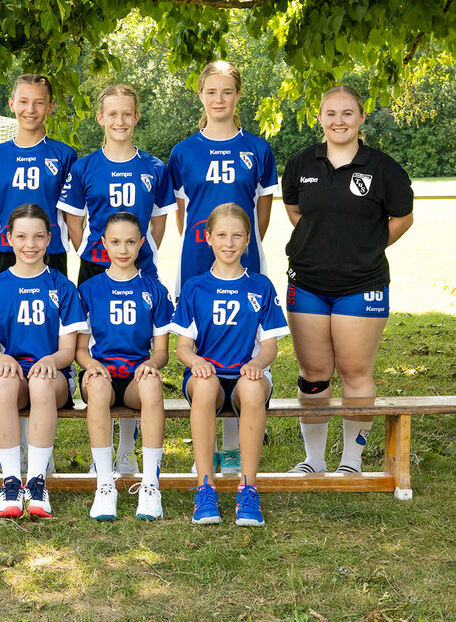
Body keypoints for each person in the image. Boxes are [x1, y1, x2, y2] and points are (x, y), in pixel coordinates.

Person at [281, 86, 414, 475]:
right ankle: (313, 461)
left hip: (362, 285)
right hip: (307, 283)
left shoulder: (384, 168)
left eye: (347, 113)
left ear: (361, 118)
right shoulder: (300, 164)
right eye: (331, 113)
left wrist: (364, 248)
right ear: (320, 118)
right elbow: (295, 211)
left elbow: (402, 219)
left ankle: (351, 464)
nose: (338, 121)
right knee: (314, 374)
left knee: (355, 372)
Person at [168, 61, 278, 475]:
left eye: (227, 92)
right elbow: (183, 214)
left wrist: (237, 245)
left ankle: (233, 449)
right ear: (200, 95)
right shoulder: (183, 152)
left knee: (243, 342)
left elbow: (260, 216)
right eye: (211, 92)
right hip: (198, 257)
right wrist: (209, 244)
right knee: (205, 343)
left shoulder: (258, 149)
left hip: (242, 256)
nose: (219, 99)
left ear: (237, 95)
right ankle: (207, 451)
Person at [58, 84, 173, 473]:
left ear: (136, 117)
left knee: (135, 349)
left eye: (127, 113)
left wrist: (140, 253)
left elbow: (159, 220)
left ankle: (127, 450)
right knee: (99, 351)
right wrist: (88, 251)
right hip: (96, 266)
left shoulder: (154, 167)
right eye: (112, 114)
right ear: (100, 118)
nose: (120, 120)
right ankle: (102, 457)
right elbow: (73, 219)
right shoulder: (85, 167)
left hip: (138, 266)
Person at [173, 203, 289, 526]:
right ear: (208, 238)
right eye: (221, 235)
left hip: (244, 375)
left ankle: (248, 489)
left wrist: (257, 363)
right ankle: (205, 488)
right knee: (205, 385)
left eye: (237, 235)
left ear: (248, 239)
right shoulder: (194, 287)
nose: (229, 243)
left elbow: (270, 346)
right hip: (206, 375)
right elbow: (183, 347)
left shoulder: (261, 286)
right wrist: (196, 361)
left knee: (251, 388)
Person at [0, 204, 87, 518]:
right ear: (8, 238)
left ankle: (38, 482)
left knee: (41, 381)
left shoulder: (62, 286)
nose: (30, 244)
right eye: (22, 236)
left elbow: (67, 352)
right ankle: (11, 482)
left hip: (52, 379)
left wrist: (50, 360)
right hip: (14, 378)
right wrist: (4, 360)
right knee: (2, 380)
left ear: (49, 238)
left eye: (39, 236)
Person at [75, 212, 173, 521]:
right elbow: (80, 349)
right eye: (115, 242)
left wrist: (150, 364)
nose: (123, 249)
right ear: (103, 243)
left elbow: (161, 352)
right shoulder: (89, 289)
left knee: (152, 383)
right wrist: (91, 364)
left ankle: (150, 484)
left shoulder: (154, 290)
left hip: (134, 378)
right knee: (97, 386)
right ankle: (105, 484)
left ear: (142, 243)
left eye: (130, 242)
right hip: (101, 373)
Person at [0, 74, 77, 277]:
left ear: (50, 107)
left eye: (39, 102)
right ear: (12, 104)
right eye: (23, 101)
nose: (30, 109)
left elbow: (70, 214)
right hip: (8, 251)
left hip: (51, 251)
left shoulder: (64, 155)